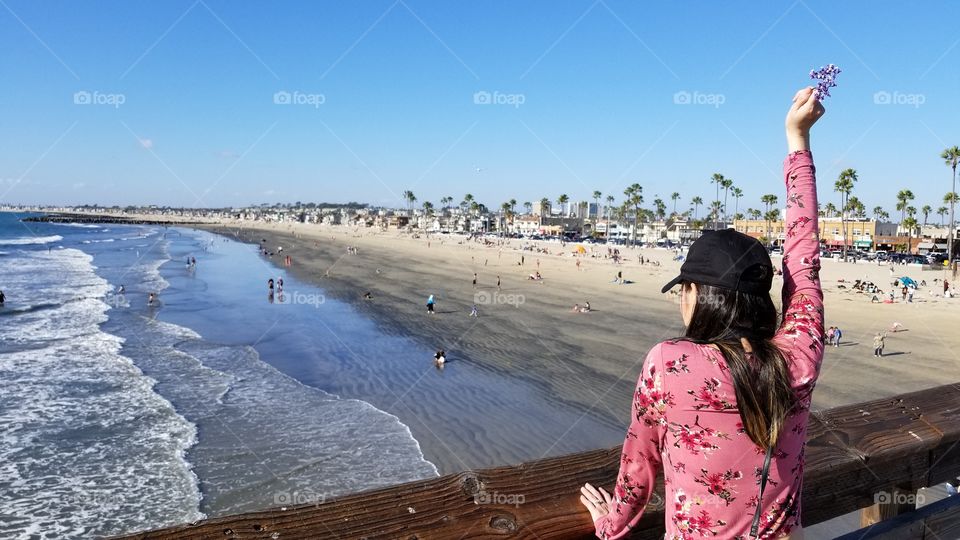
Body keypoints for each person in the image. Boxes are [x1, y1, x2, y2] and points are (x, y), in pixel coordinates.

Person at [580, 87, 824, 539]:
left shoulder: (669, 362)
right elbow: (803, 260)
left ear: (698, 294)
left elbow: (640, 462)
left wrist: (611, 525)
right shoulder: (798, 359)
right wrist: (798, 142)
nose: (680, 300)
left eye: (684, 290)